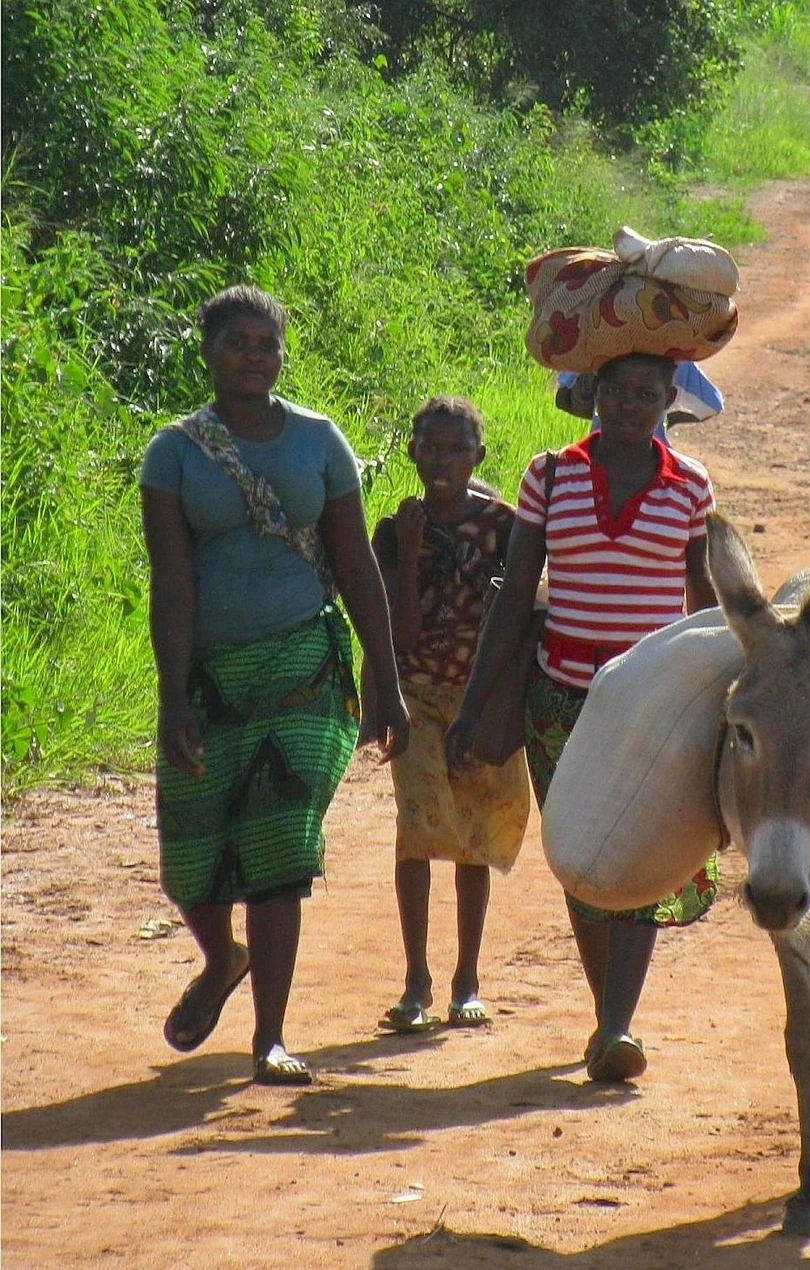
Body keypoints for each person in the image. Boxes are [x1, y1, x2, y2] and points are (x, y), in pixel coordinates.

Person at [139, 284, 410, 1086]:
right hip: (210, 676)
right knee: (189, 860)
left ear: (282, 356)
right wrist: (169, 700)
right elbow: (173, 584)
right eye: (236, 343)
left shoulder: (319, 441)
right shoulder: (175, 453)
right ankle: (223, 957)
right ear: (207, 352)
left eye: (266, 344)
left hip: (304, 667)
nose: (252, 356)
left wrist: (384, 678)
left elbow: (357, 566)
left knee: (279, 847)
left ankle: (271, 1037)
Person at [445, 352, 720, 1083]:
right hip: (559, 697)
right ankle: (610, 1022)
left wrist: (724, 692)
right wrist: (473, 704)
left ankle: (617, 1024)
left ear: (670, 402)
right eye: (619, 392)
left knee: (643, 854)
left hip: (653, 703)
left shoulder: (690, 488)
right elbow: (514, 596)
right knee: (584, 860)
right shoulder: (552, 475)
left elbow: (704, 603)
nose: (632, 406)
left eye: (648, 395)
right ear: (594, 394)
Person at [364, 396, 531, 1035]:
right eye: (430, 448)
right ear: (411, 453)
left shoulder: (504, 527)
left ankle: (467, 978)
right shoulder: (394, 531)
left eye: (456, 449)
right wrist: (409, 553)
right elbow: (398, 634)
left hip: (479, 701)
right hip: (417, 697)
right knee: (417, 829)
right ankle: (416, 979)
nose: (442, 461)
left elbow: (519, 617)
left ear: (478, 457)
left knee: (473, 837)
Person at [554, 360, 724, 449]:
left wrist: (606, 405)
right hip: (658, 469)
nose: (628, 406)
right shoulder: (676, 358)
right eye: (615, 390)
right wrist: (667, 417)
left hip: (599, 454)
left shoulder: (600, 344)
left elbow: (562, 399)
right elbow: (712, 405)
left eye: (647, 395)